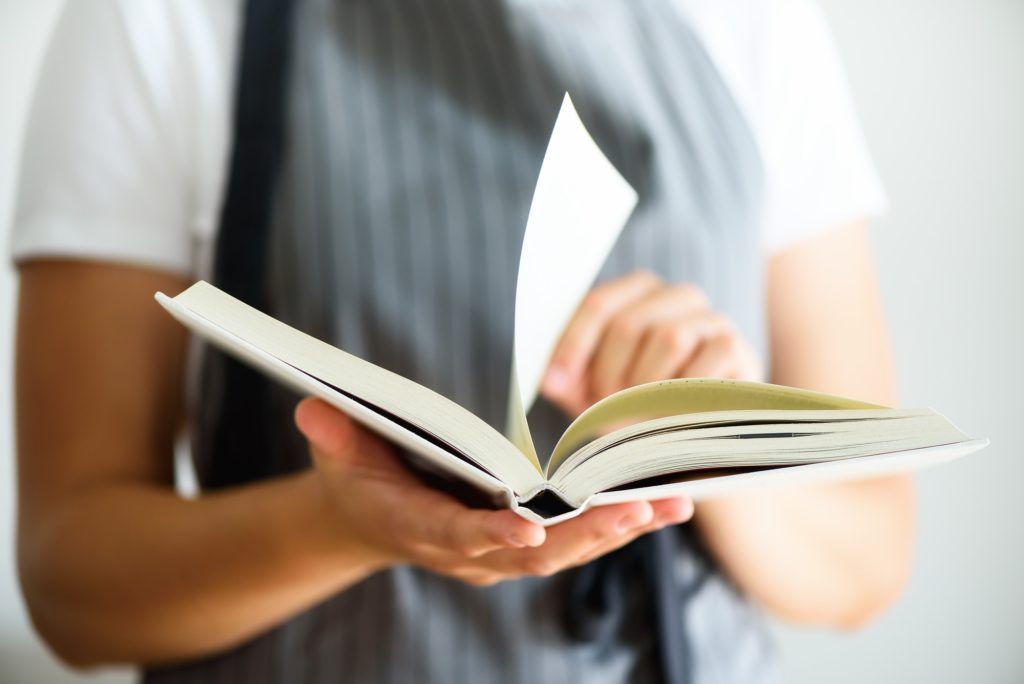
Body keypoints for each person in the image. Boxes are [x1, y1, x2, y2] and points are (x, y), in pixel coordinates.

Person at [11, 0, 914, 682]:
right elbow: (71, 583)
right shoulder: (158, 18)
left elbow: (868, 558)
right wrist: (334, 528)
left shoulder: (753, 20)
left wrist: (702, 451)